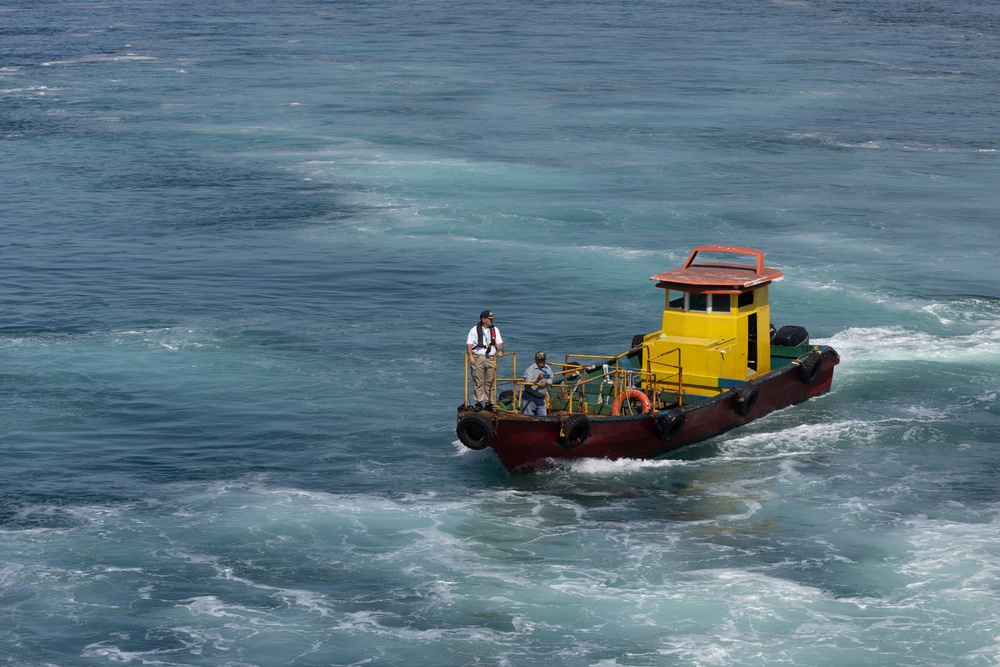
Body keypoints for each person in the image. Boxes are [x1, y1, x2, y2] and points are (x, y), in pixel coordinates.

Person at [466, 310, 503, 410]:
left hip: (490, 358)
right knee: (478, 381)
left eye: (492, 319)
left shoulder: (495, 329)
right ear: (483, 319)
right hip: (478, 357)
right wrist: (471, 357)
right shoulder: (474, 330)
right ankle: (478, 403)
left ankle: (490, 403)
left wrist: (500, 350)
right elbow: (469, 344)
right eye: (489, 319)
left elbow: (499, 342)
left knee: (490, 381)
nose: (491, 321)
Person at [521, 351, 554, 416]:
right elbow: (527, 383)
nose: (542, 361)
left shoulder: (547, 368)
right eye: (540, 360)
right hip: (529, 398)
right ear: (535, 360)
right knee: (527, 419)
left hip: (541, 398)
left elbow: (551, 378)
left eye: (543, 360)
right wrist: (537, 379)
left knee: (543, 419)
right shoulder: (530, 370)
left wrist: (546, 381)